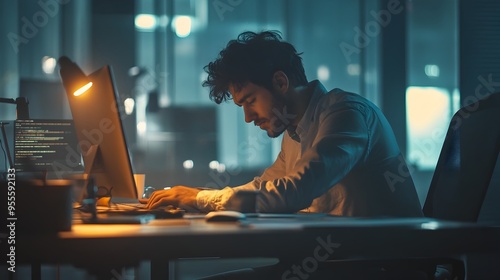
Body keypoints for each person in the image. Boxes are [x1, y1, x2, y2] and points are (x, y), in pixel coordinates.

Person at [146, 30, 422, 218]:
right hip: (335, 263)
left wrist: (198, 199)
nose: (248, 117)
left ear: (280, 82)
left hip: (381, 267)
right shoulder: (294, 134)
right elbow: (263, 186)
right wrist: (195, 196)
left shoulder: (346, 114)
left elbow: (295, 192)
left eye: (250, 101)